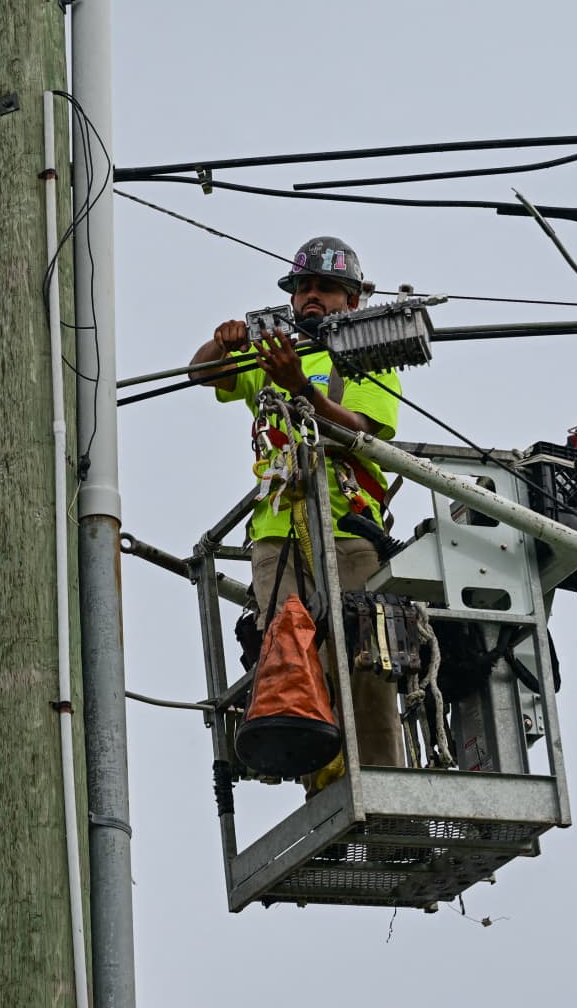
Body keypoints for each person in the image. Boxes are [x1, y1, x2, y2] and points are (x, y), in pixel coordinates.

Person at [188, 235, 406, 770]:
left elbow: (360, 429)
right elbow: (199, 373)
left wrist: (301, 390)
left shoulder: (365, 356)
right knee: (288, 657)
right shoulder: (272, 355)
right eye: (303, 287)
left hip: (348, 528)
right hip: (276, 533)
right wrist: (225, 341)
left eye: (326, 288)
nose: (311, 297)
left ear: (352, 300)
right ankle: (319, 778)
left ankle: (379, 779)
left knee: (363, 661)